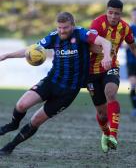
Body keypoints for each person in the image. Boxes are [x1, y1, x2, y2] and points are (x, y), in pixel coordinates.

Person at [0, 12, 112, 155]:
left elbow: (105, 42)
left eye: (65, 28)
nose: (61, 31)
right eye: (59, 27)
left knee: (35, 120)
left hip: (68, 92)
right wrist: (6, 56)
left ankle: (9, 147)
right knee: (21, 104)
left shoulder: (82, 34)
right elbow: (31, 49)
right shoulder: (53, 36)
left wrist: (107, 57)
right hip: (51, 82)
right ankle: (13, 124)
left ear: (72, 25)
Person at [87, 0, 136, 153]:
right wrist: (105, 51)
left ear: (121, 14)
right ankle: (105, 134)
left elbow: (134, 47)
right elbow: (90, 45)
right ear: (106, 11)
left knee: (111, 93)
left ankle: (113, 135)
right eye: (110, 13)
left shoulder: (125, 28)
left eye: (117, 14)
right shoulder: (97, 24)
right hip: (92, 71)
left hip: (111, 67)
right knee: (101, 113)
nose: (113, 17)